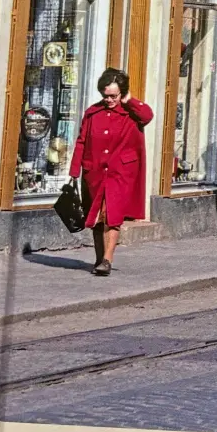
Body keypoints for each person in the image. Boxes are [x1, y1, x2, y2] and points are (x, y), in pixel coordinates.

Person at [69, 68, 154, 276]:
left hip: (120, 173)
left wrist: (129, 100)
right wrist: (74, 170)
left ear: (121, 94)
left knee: (112, 215)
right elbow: (82, 141)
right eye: (105, 96)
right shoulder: (92, 113)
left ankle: (107, 259)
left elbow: (147, 115)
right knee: (97, 217)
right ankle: (99, 258)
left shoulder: (131, 112)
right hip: (95, 172)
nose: (109, 100)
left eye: (113, 96)